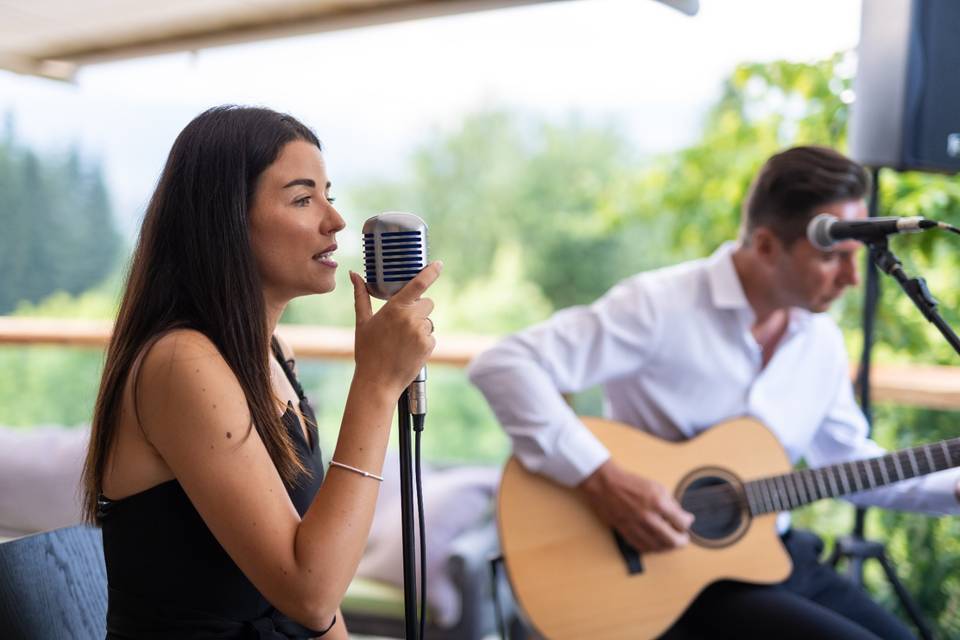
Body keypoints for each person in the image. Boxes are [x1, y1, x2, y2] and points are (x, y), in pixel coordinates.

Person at [468, 145, 960, 639]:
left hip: (776, 558)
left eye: (858, 259)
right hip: (669, 570)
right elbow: (504, 364)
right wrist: (603, 480)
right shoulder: (659, 306)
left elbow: (853, 463)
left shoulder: (821, 342)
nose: (853, 279)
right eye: (833, 257)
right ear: (766, 246)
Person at [81, 105, 441, 639]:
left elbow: (323, 596)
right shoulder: (182, 364)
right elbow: (311, 595)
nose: (336, 220)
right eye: (302, 198)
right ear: (225, 220)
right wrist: (377, 384)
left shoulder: (274, 354)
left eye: (329, 195)